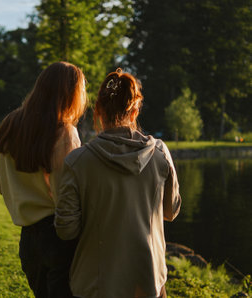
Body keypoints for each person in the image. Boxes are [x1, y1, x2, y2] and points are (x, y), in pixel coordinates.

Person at [55, 68, 181, 298]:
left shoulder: (77, 161)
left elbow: (66, 229)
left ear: (99, 111)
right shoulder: (160, 154)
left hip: (96, 284)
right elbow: (171, 211)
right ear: (135, 111)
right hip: (148, 280)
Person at [0, 61, 87, 298]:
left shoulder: (9, 124)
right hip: (58, 236)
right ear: (70, 94)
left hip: (28, 240)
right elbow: (69, 192)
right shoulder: (64, 132)